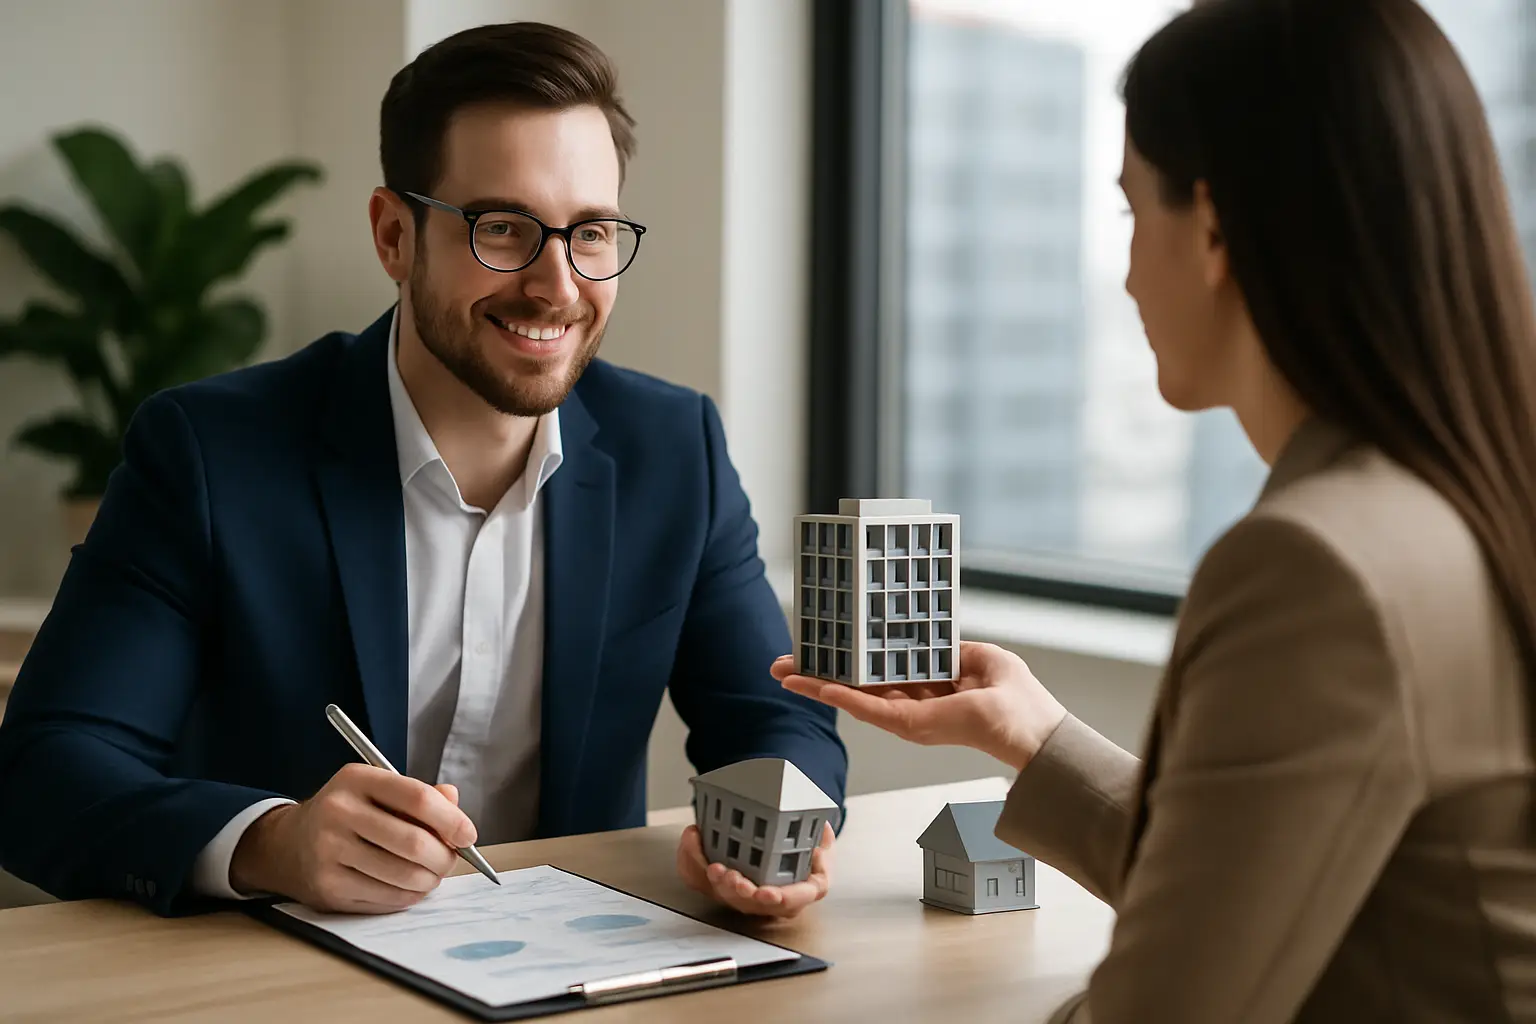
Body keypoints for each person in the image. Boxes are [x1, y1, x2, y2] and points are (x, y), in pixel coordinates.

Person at [777, 0, 1536, 1019]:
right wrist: (1034, 734)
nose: (1129, 271)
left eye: (1135, 212)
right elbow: (1252, 878)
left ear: (1215, 228)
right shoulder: (1458, 504)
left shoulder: (1320, 567)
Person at [0, 21, 845, 920]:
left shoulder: (676, 451)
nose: (557, 285)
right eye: (504, 228)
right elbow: (43, 773)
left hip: (576, 971)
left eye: (590, 232)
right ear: (394, 235)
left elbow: (776, 715)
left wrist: (774, 836)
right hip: (279, 979)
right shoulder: (210, 454)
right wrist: (267, 842)